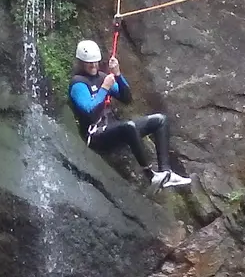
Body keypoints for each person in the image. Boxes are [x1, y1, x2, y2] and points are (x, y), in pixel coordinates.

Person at [68, 40, 191, 189]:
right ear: (81, 62)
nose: (94, 66)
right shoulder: (78, 84)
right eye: (89, 63)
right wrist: (105, 88)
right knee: (129, 127)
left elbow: (126, 98)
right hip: (95, 135)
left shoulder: (101, 77)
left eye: (95, 62)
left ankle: (166, 172)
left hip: (112, 127)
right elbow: (90, 112)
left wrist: (118, 75)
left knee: (160, 120)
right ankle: (150, 176)